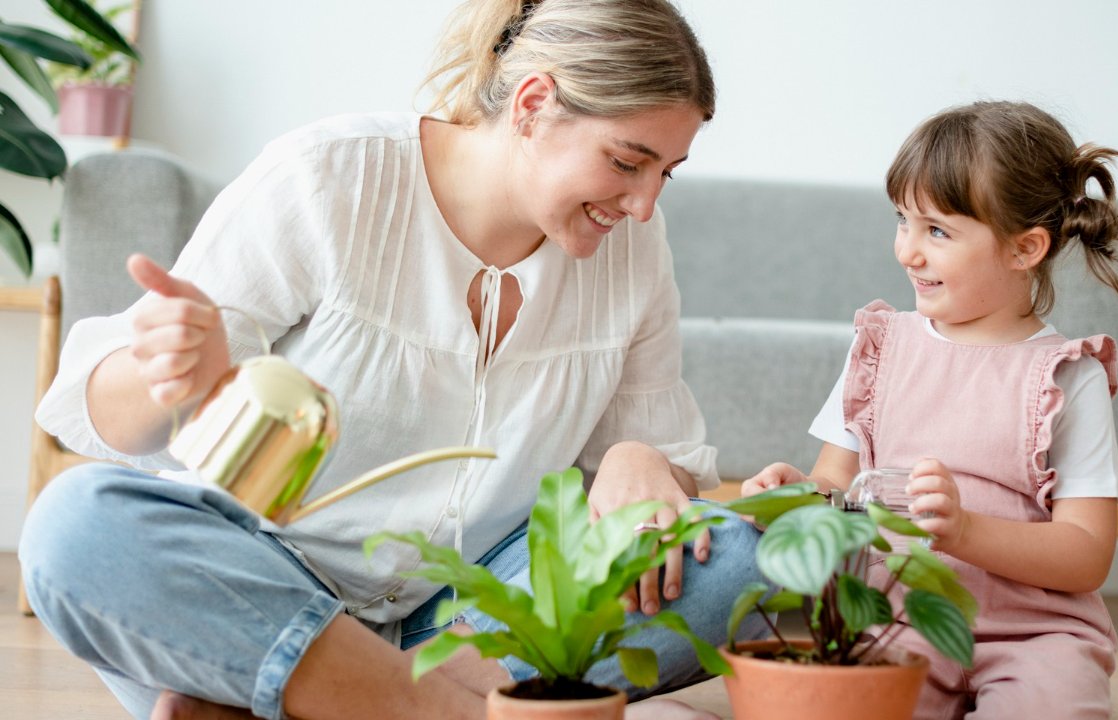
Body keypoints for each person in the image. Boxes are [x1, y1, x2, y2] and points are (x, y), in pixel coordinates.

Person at [19, 1, 768, 718]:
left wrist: (640, 458)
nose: (642, 204)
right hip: (260, 589)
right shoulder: (332, 176)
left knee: (737, 557)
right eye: (626, 161)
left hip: (469, 618)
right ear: (533, 104)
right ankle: (443, 710)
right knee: (75, 527)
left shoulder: (634, 251)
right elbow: (102, 418)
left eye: (664, 172)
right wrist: (170, 377)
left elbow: (661, 495)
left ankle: (297, 701)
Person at [742, 100, 1118, 719]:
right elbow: (835, 485)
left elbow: (1087, 552)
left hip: (1039, 637)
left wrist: (967, 532)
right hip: (900, 626)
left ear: (1024, 248)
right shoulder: (878, 348)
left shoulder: (1067, 375)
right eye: (903, 221)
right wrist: (798, 497)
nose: (907, 252)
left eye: (937, 231)